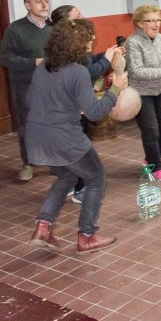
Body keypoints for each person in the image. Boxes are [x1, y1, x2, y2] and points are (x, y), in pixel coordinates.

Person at [26, 19, 128, 254]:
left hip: (37, 137)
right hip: (65, 139)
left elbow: (30, 101)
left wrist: (72, 100)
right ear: (76, 43)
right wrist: (115, 89)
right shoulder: (78, 71)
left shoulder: (43, 67)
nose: (91, 42)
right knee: (96, 178)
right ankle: (87, 236)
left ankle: (43, 225)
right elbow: (95, 113)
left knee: (67, 177)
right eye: (88, 39)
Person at [125, 5, 161, 181]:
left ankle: (151, 158)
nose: (156, 24)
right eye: (151, 20)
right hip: (141, 93)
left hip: (160, 89)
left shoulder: (158, 38)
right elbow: (136, 71)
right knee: (151, 131)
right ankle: (155, 166)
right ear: (139, 23)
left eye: (158, 20)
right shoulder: (133, 42)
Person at [0, 0, 52, 181]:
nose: (44, 5)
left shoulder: (52, 29)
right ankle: (28, 162)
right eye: (39, 1)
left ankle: (53, 159)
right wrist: (32, 63)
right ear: (27, 5)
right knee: (27, 125)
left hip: (50, 85)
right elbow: (5, 57)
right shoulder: (15, 29)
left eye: (46, 1)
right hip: (25, 85)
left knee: (52, 122)